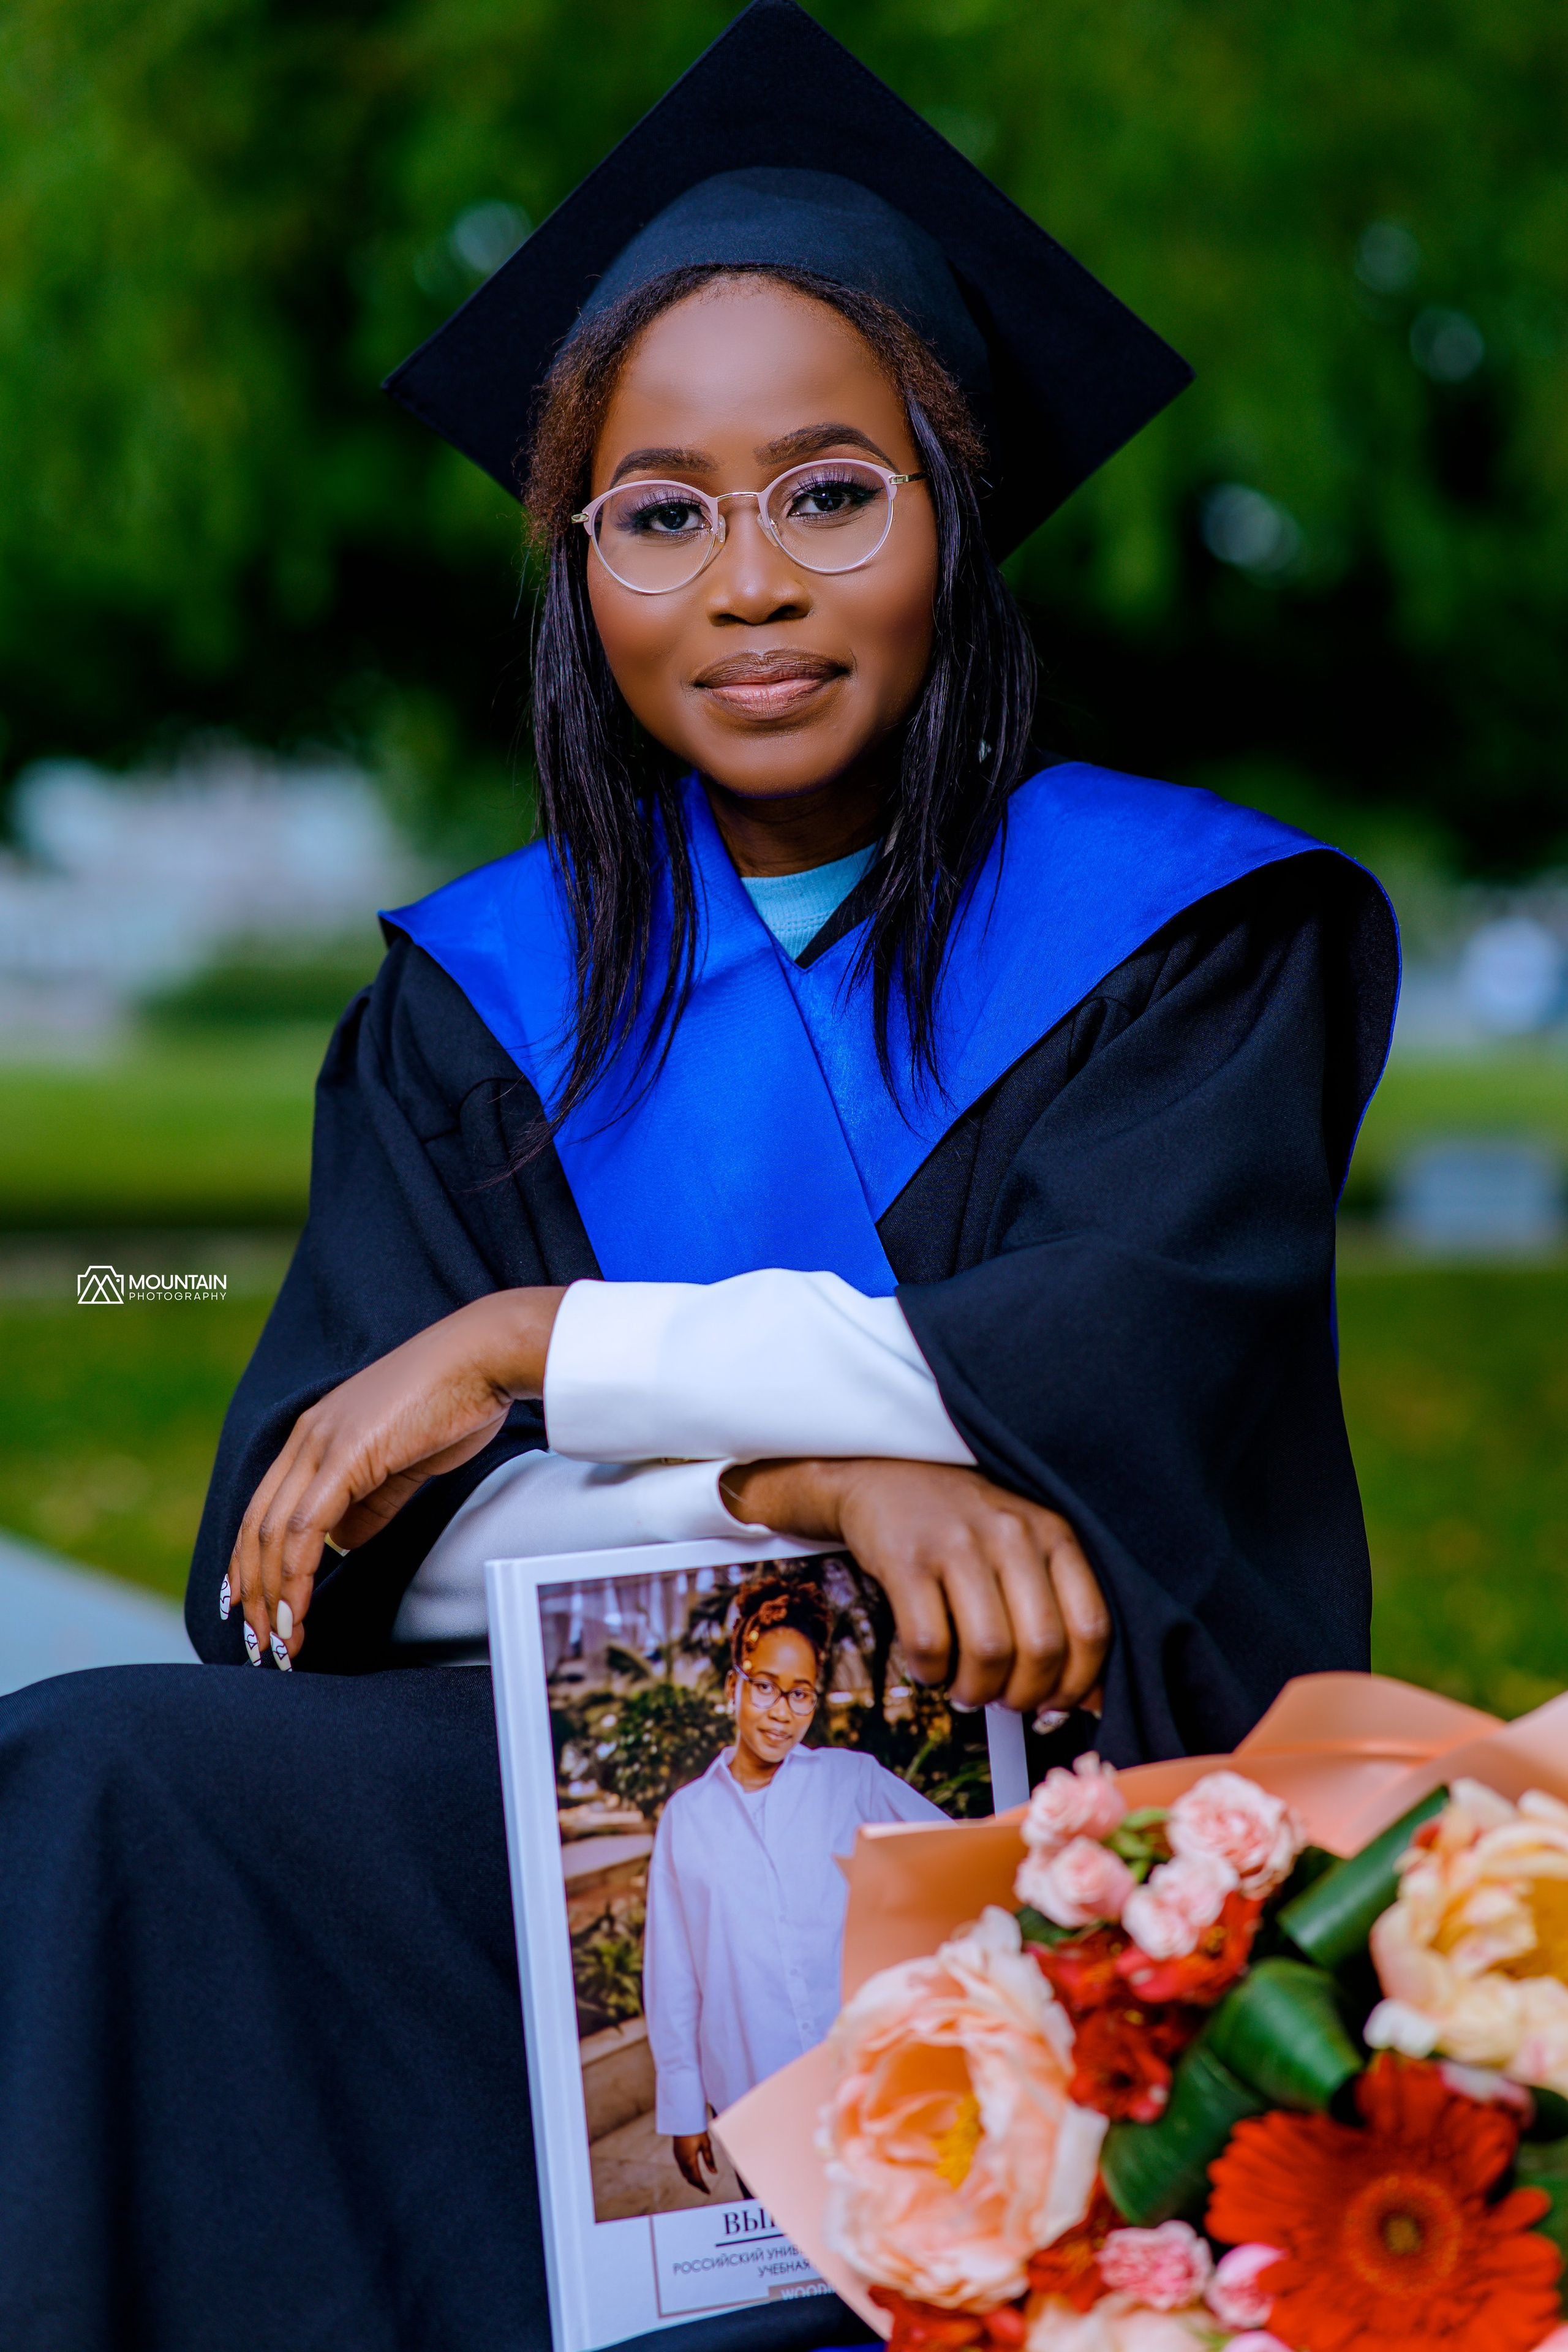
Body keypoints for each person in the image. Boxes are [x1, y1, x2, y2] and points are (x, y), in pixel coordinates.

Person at [0, 6, 1398, 2348]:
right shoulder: (476, 1004)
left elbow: (1108, 1383)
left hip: (1076, 1814)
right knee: (102, 1780)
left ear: (953, 513)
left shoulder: (1184, 937)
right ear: (582, 566)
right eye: (661, 514)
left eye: (830, 493)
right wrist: (798, 1486)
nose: (747, 582)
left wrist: (532, 1348)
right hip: (543, 1841)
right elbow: (332, 1538)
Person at [643, 1572, 946, 2195]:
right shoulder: (687, 1817)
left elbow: (950, 1856)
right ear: (734, 1686)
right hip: (755, 2100)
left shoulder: (852, 1781)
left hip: (862, 2082)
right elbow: (673, 1972)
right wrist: (683, 2106)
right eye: (765, 1687)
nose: (781, 1713)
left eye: (800, 1694)